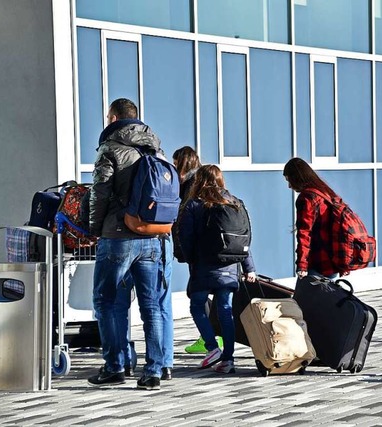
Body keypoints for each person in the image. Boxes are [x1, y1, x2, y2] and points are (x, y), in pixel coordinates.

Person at [88, 98, 172, 390]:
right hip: (151, 236)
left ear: (113, 117)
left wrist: (94, 228)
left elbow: (100, 192)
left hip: (118, 237)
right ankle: (155, 370)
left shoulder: (110, 148)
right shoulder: (156, 148)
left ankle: (115, 366)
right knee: (151, 305)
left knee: (107, 302)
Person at [178, 164, 257, 374]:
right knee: (225, 311)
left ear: (199, 181)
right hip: (231, 266)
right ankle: (228, 360)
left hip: (204, 264)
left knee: (197, 306)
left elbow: (185, 236)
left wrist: (189, 259)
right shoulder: (235, 202)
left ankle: (212, 347)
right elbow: (243, 239)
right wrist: (249, 268)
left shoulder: (194, 204)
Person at [171, 147, 224, 355]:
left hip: (200, 251)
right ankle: (213, 335)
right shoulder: (204, 181)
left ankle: (209, 337)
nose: (174, 167)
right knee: (214, 293)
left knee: (196, 293)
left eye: (175, 163)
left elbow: (185, 219)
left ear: (183, 163)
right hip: (211, 250)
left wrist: (184, 248)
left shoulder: (191, 186)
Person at [282, 157, 347, 280]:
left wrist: (302, 265)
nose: (289, 186)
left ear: (297, 178)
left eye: (289, 180)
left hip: (317, 262)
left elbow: (304, 234)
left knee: (308, 298)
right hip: (332, 261)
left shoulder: (307, 198)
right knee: (329, 297)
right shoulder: (327, 193)